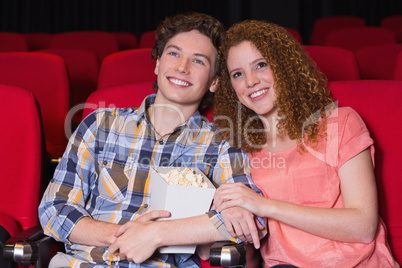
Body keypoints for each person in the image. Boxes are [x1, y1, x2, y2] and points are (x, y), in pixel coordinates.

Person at [39, 13, 266, 268]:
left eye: (199, 61)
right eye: (174, 54)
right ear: (157, 64)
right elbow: (54, 208)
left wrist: (157, 236)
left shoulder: (222, 143)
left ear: (214, 82)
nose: (182, 67)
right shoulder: (100, 125)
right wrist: (126, 235)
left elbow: (251, 219)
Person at [212, 20, 399, 267]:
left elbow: (363, 227)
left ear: (284, 67)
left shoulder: (340, 123)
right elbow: (245, 244)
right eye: (238, 74)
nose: (250, 81)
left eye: (261, 65)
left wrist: (265, 206)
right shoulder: (238, 150)